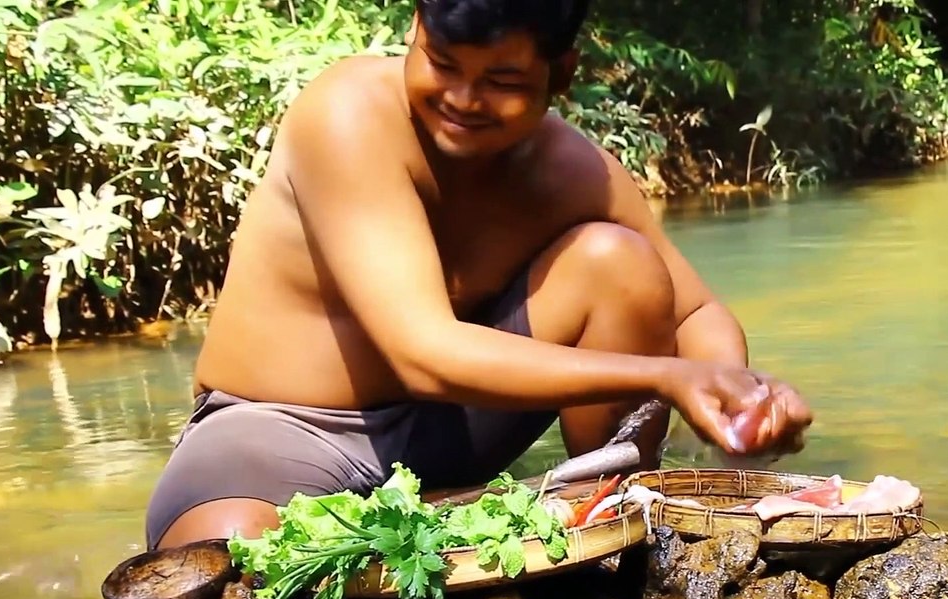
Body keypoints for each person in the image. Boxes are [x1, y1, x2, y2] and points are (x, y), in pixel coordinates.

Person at [144, 0, 813, 551]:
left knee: (619, 264)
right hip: (278, 436)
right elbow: (422, 354)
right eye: (442, 64)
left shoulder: (574, 171)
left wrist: (738, 398)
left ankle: (616, 519)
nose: (463, 100)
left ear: (562, 74)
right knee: (229, 570)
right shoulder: (347, 113)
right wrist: (668, 377)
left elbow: (695, 316)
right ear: (415, 28)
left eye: (503, 82)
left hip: (451, 439)